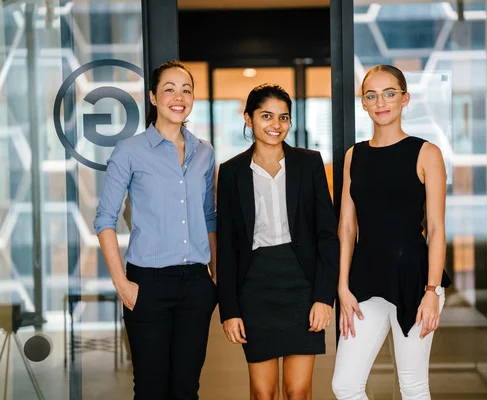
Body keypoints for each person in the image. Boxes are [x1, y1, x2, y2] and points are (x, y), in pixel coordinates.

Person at [94, 60, 217, 400]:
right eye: (169, 89)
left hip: (195, 284)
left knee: (186, 389)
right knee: (150, 389)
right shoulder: (130, 151)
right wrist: (123, 284)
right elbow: (105, 218)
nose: (179, 97)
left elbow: (209, 218)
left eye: (186, 90)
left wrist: (215, 279)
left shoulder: (204, 153)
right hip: (147, 283)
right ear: (152, 97)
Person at [331, 64, 452, 400]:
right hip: (364, 282)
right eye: (371, 95)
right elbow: (346, 225)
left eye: (389, 93)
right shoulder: (354, 155)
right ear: (364, 103)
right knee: (344, 385)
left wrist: (432, 291)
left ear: (404, 99)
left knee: (412, 386)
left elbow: (438, 228)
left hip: (415, 280)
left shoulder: (427, 153)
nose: (380, 102)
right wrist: (342, 286)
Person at [216, 83, 339, 399]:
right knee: (262, 392)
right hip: (255, 289)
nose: (276, 125)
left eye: (284, 117)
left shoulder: (309, 163)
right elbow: (227, 249)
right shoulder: (231, 172)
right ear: (248, 119)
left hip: (301, 285)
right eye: (266, 116)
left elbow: (327, 235)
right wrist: (229, 310)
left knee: (298, 391)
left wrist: (324, 298)